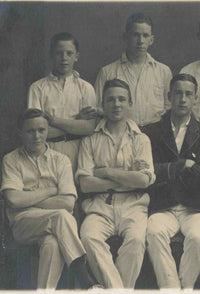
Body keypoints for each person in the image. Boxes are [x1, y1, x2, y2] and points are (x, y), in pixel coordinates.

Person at [0, 108, 100, 289]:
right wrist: (51, 191)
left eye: (41, 130)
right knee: (61, 216)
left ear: (47, 130)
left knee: (52, 243)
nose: (36, 136)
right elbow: (13, 200)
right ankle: (86, 282)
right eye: (30, 131)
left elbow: (68, 202)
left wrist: (28, 196)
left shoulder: (61, 160)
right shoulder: (11, 160)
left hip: (54, 226)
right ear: (20, 133)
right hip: (24, 224)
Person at [77, 79, 155, 288]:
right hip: (100, 206)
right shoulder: (90, 139)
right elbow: (85, 184)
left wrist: (106, 172)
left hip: (134, 206)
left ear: (130, 103)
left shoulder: (141, 139)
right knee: (88, 236)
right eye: (110, 100)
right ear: (103, 104)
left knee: (137, 241)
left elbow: (144, 181)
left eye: (122, 99)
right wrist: (126, 177)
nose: (116, 104)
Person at [142, 73, 200, 289]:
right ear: (169, 96)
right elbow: (148, 172)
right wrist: (181, 165)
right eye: (177, 94)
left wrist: (165, 172)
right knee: (154, 233)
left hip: (195, 207)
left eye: (188, 94)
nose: (182, 99)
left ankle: (184, 288)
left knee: (198, 237)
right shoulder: (151, 132)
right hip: (163, 206)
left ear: (195, 99)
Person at [28, 32, 97, 172]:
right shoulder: (37, 88)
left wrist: (53, 121)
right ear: (51, 55)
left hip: (78, 150)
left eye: (69, 53)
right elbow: (37, 131)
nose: (64, 58)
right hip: (47, 151)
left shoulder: (85, 88)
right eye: (59, 53)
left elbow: (89, 128)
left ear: (76, 56)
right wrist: (77, 124)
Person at [94, 13, 172, 129]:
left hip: (156, 134)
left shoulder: (163, 71)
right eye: (136, 35)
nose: (140, 41)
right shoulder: (107, 72)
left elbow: (170, 107)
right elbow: (97, 109)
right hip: (121, 132)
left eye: (145, 35)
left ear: (151, 40)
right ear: (125, 37)